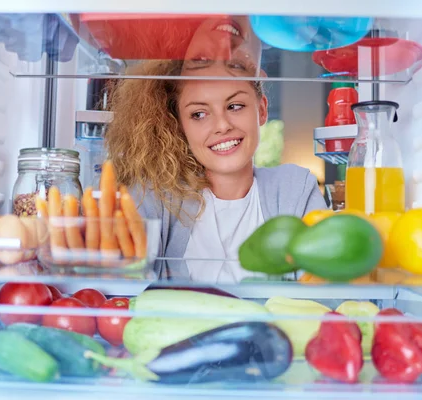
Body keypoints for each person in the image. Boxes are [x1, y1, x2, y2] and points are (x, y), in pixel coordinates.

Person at [106, 16, 327, 283]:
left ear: (261, 109)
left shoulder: (296, 189)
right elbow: (122, 291)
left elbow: (323, 292)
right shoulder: (153, 201)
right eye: (199, 114)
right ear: (179, 125)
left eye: (235, 106)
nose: (222, 126)